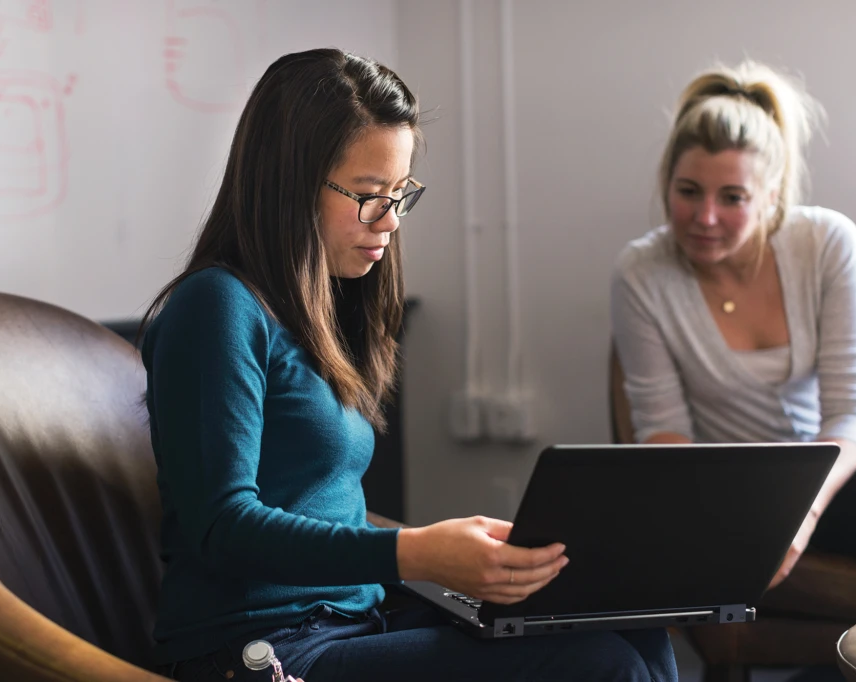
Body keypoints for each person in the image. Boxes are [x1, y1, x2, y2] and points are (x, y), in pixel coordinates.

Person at [140, 48, 676, 682]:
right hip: (260, 649)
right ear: (287, 184)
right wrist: (416, 553)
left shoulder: (319, 308)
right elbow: (221, 525)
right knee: (595, 665)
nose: (390, 221)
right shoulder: (216, 306)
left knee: (629, 621)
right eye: (369, 196)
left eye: (399, 194)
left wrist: (448, 558)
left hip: (352, 621)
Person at [612, 60, 856, 590]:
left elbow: (852, 412)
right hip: (728, 494)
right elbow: (662, 429)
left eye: (732, 198)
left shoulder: (827, 241)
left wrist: (802, 513)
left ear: (771, 197)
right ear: (666, 183)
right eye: (688, 191)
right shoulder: (640, 272)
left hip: (840, 480)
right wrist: (740, 518)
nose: (705, 217)